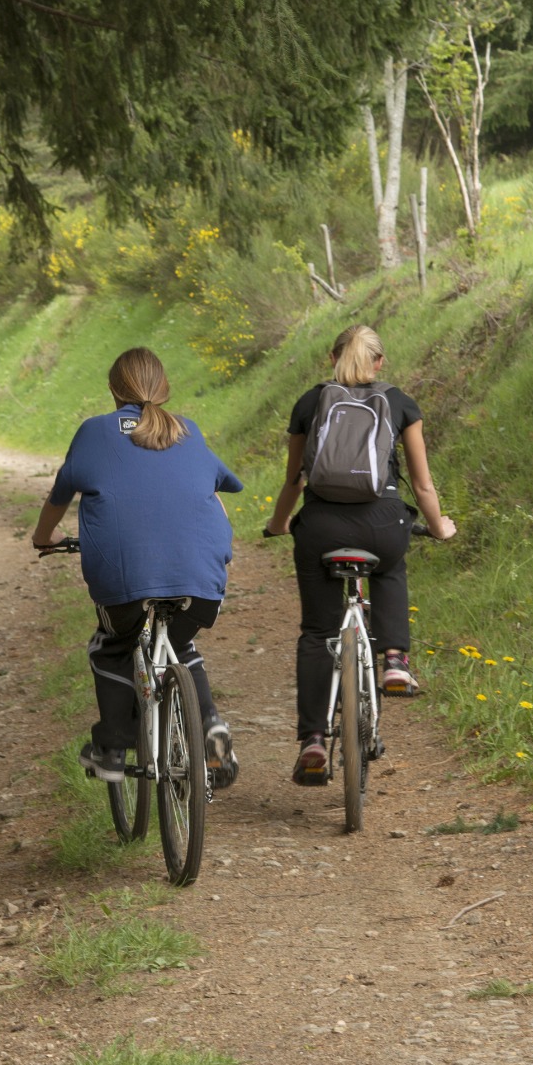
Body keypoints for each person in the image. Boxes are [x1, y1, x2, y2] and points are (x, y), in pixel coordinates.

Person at [31, 347, 241, 787]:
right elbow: (219, 489)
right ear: (164, 388)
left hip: (126, 580)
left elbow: (60, 494)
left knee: (110, 645)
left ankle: (111, 749)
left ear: (113, 389)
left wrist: (43, 538)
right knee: (180, 643)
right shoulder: (187, 430)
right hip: (202, 580)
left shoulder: (94, 431)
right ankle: (210, 726)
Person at [262, 324, 455, 785]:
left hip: (321, 527)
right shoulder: (400, 402)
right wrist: (438, 526)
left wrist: (279, 523)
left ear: (332, 358)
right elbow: (422, 484)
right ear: (380, 362)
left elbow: (295, 480)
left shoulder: (310, 402)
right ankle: (395, 660)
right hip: (383, 522)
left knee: (317, 631)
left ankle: (313, 739)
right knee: (390, 567)